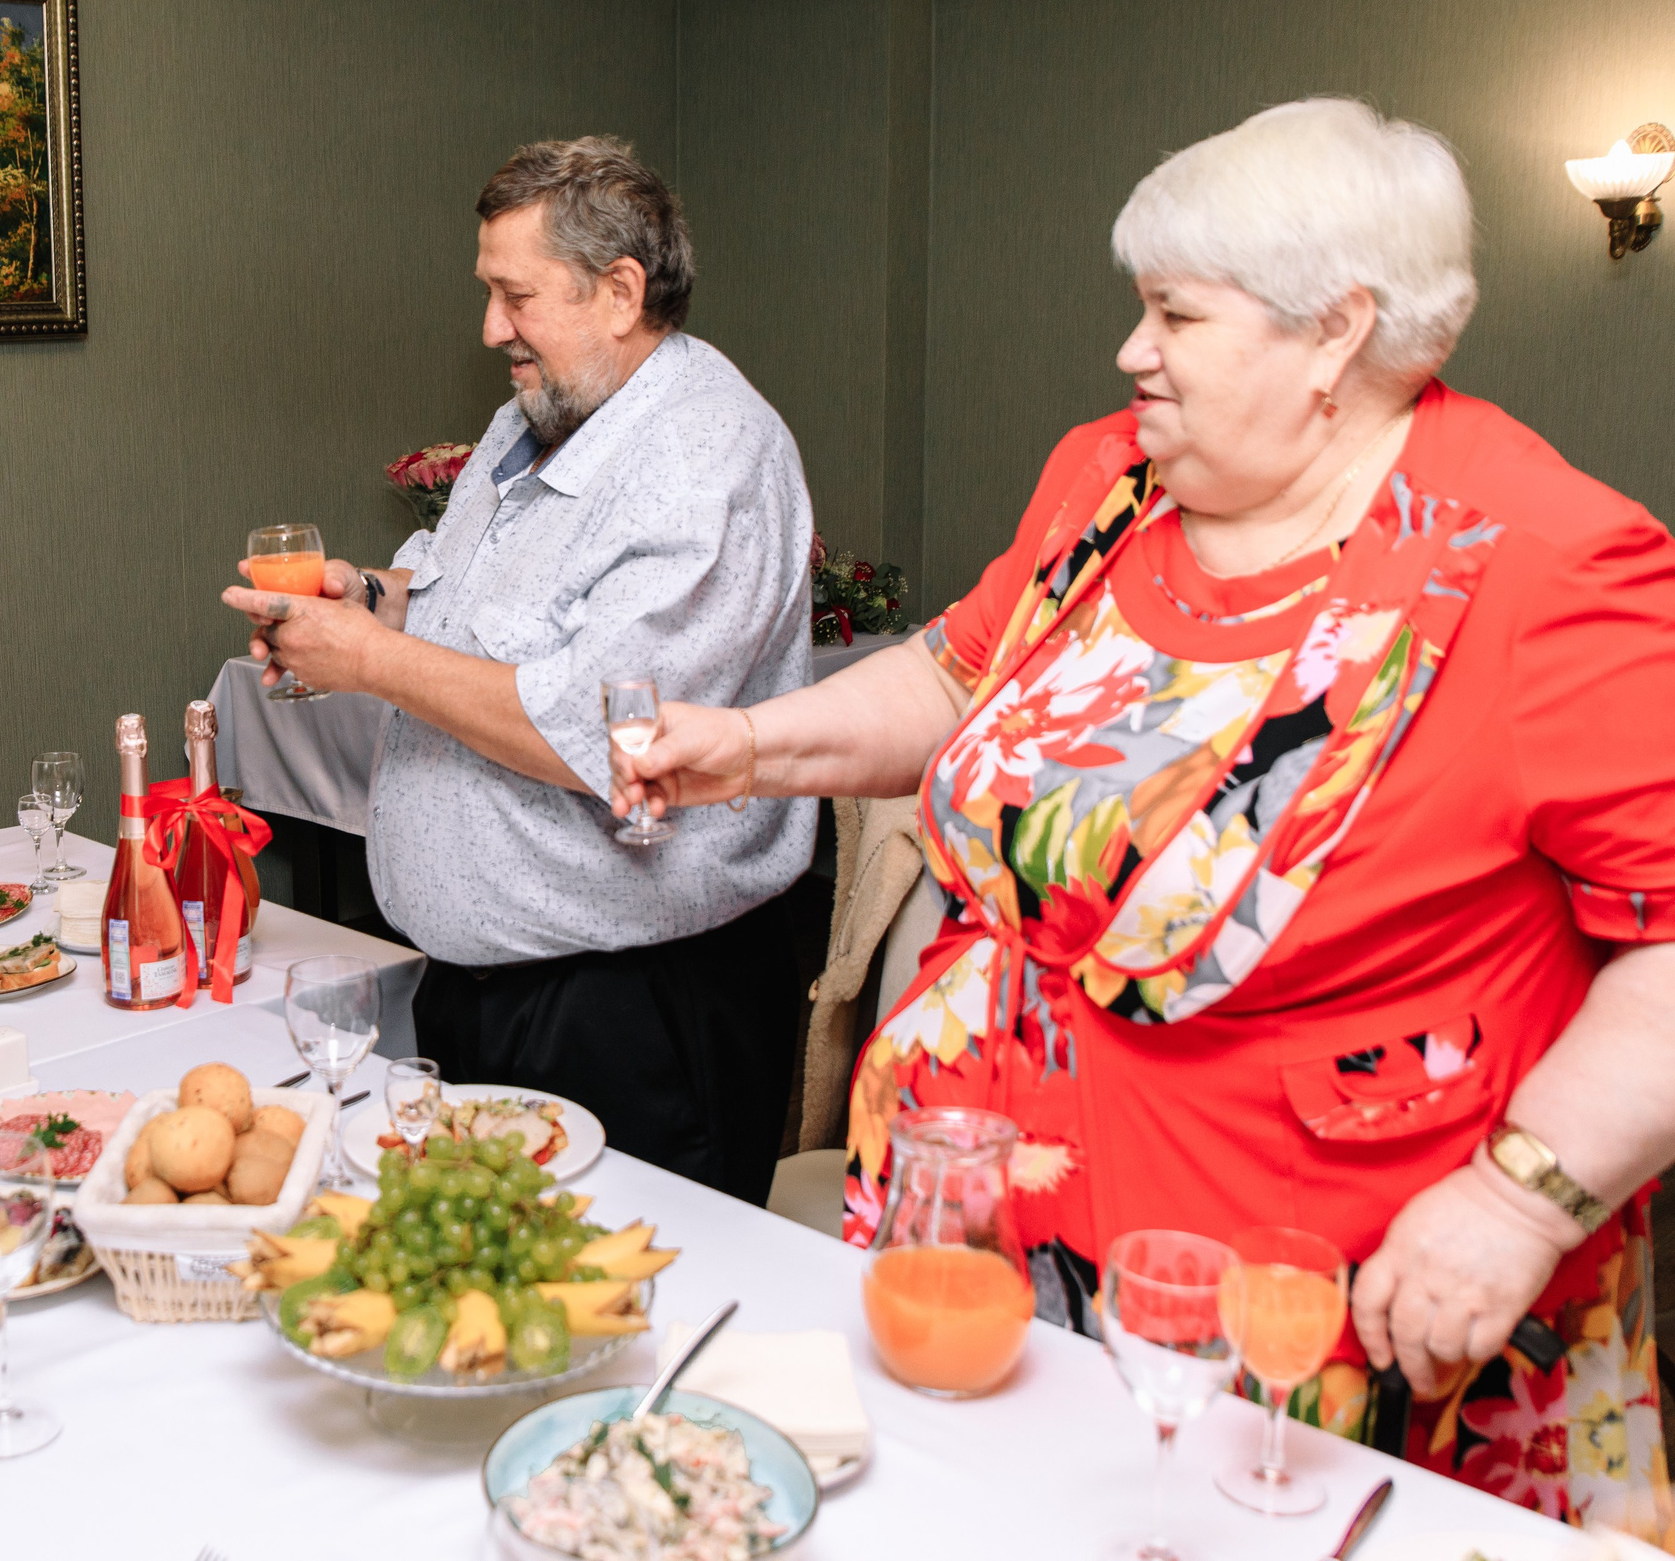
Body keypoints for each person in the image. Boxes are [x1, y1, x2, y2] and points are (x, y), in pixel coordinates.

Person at [620, 99, 1675, 1534]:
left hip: (1309, 1298)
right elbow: (960, 672)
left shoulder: (1552, 567)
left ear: (1334, 336)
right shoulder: (1108, 477)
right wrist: (747, 745)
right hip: (985, 1216)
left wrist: (1520, 1199)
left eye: (1176, 314)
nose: (1133, 351)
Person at [221, 137, 818, 1204]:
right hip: (492, 984)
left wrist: (369, 658)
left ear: (621, 291)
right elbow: (482, 605)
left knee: (626, 1310)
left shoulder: (701, 458)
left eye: (515, 295)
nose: (491, 328)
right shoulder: (537, 414)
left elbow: (592, 731)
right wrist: (371, 601)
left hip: (637, 1002)